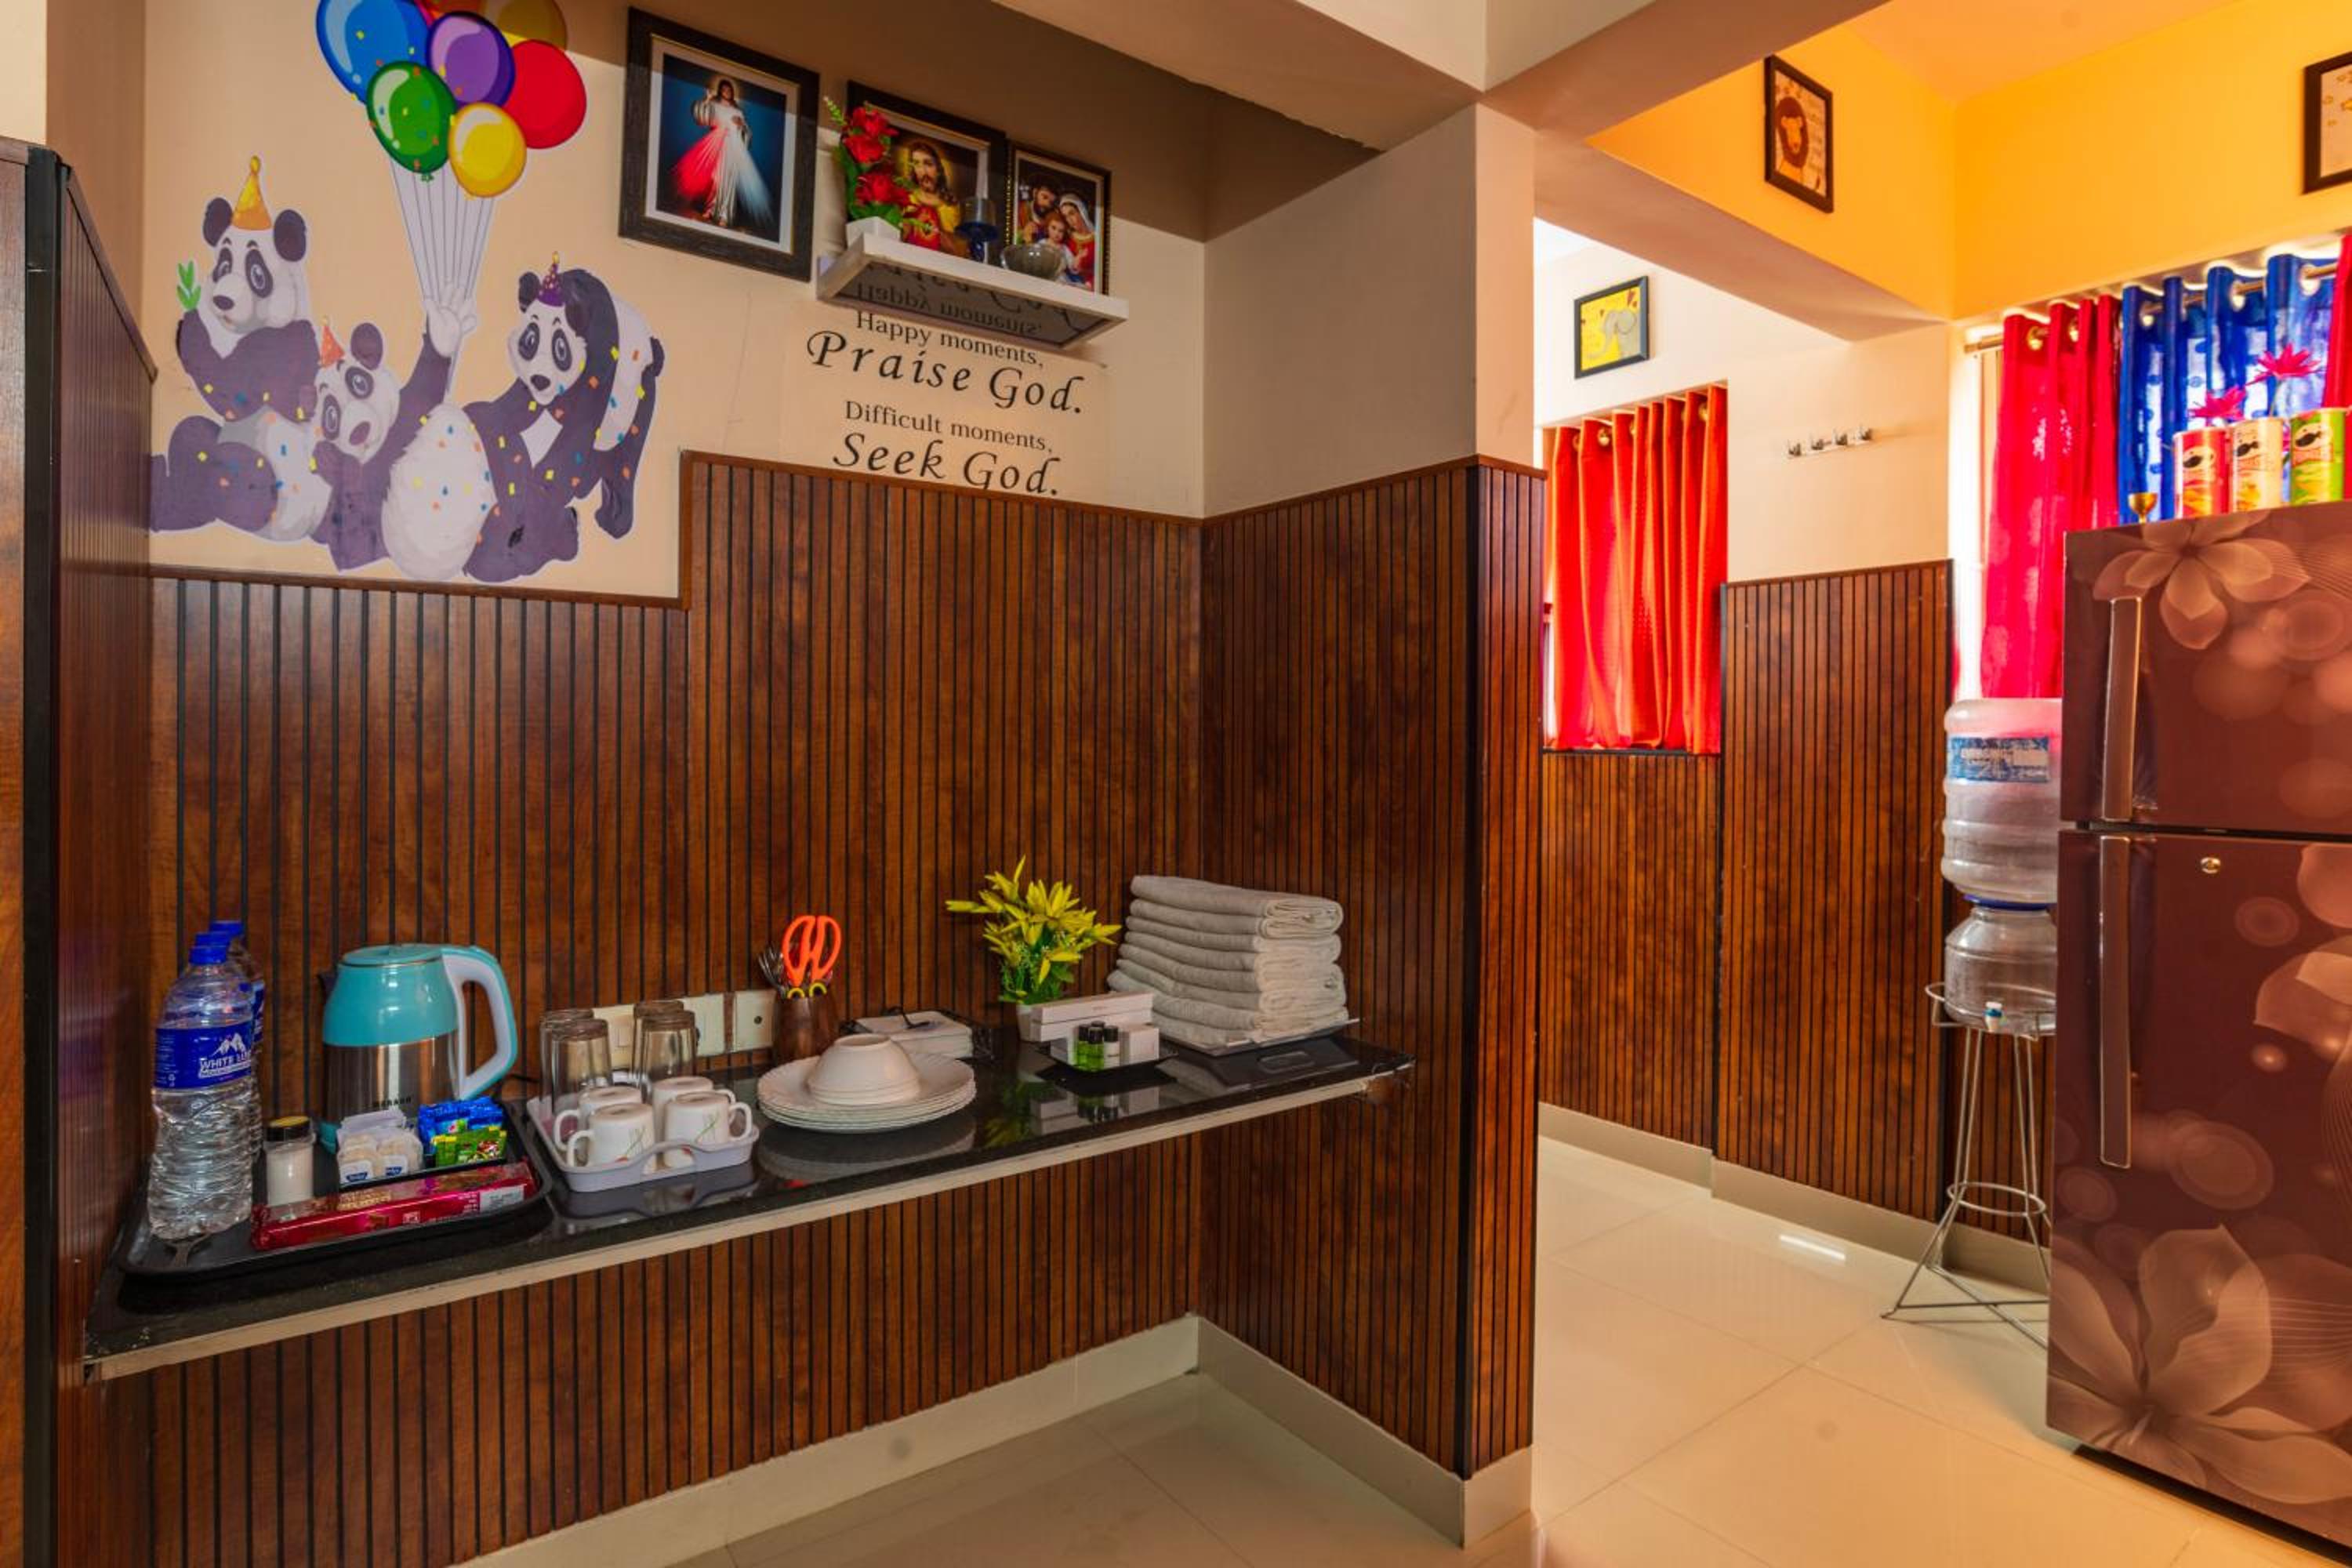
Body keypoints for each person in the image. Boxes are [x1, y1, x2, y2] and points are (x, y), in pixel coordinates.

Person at [670, 77, 775, 234]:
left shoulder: (738, 111)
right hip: (719, 144)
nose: (727, 92)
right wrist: (706, 100)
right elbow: (703, 118)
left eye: (729, 90)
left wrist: (742, 126)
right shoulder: (715, 105)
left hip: (734, 148)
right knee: (717, 179)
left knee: (730, 182)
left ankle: (724, 216)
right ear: (720, 91)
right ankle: (711, 210)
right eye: (724, 89)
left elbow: (746, 133)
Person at [895, 136, 967, 256]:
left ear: (938, 170)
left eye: (928, 164)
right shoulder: (906, 198)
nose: (923, 171)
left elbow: (960, 250)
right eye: (917, 165)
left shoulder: (950, 207)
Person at [1053, 195, 1096, 288]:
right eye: (1066, 217)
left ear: (1081, 211)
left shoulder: (1096, 240)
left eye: (1072, 213)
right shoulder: (1066, 239)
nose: (1070, 220)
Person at [1018, 172, 1059, 245]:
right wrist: (1023, 235)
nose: (1047, 204)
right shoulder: (1021, 210)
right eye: (1044, 197)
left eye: (1051, 202)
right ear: (1035, 193)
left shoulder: (1053, 219)